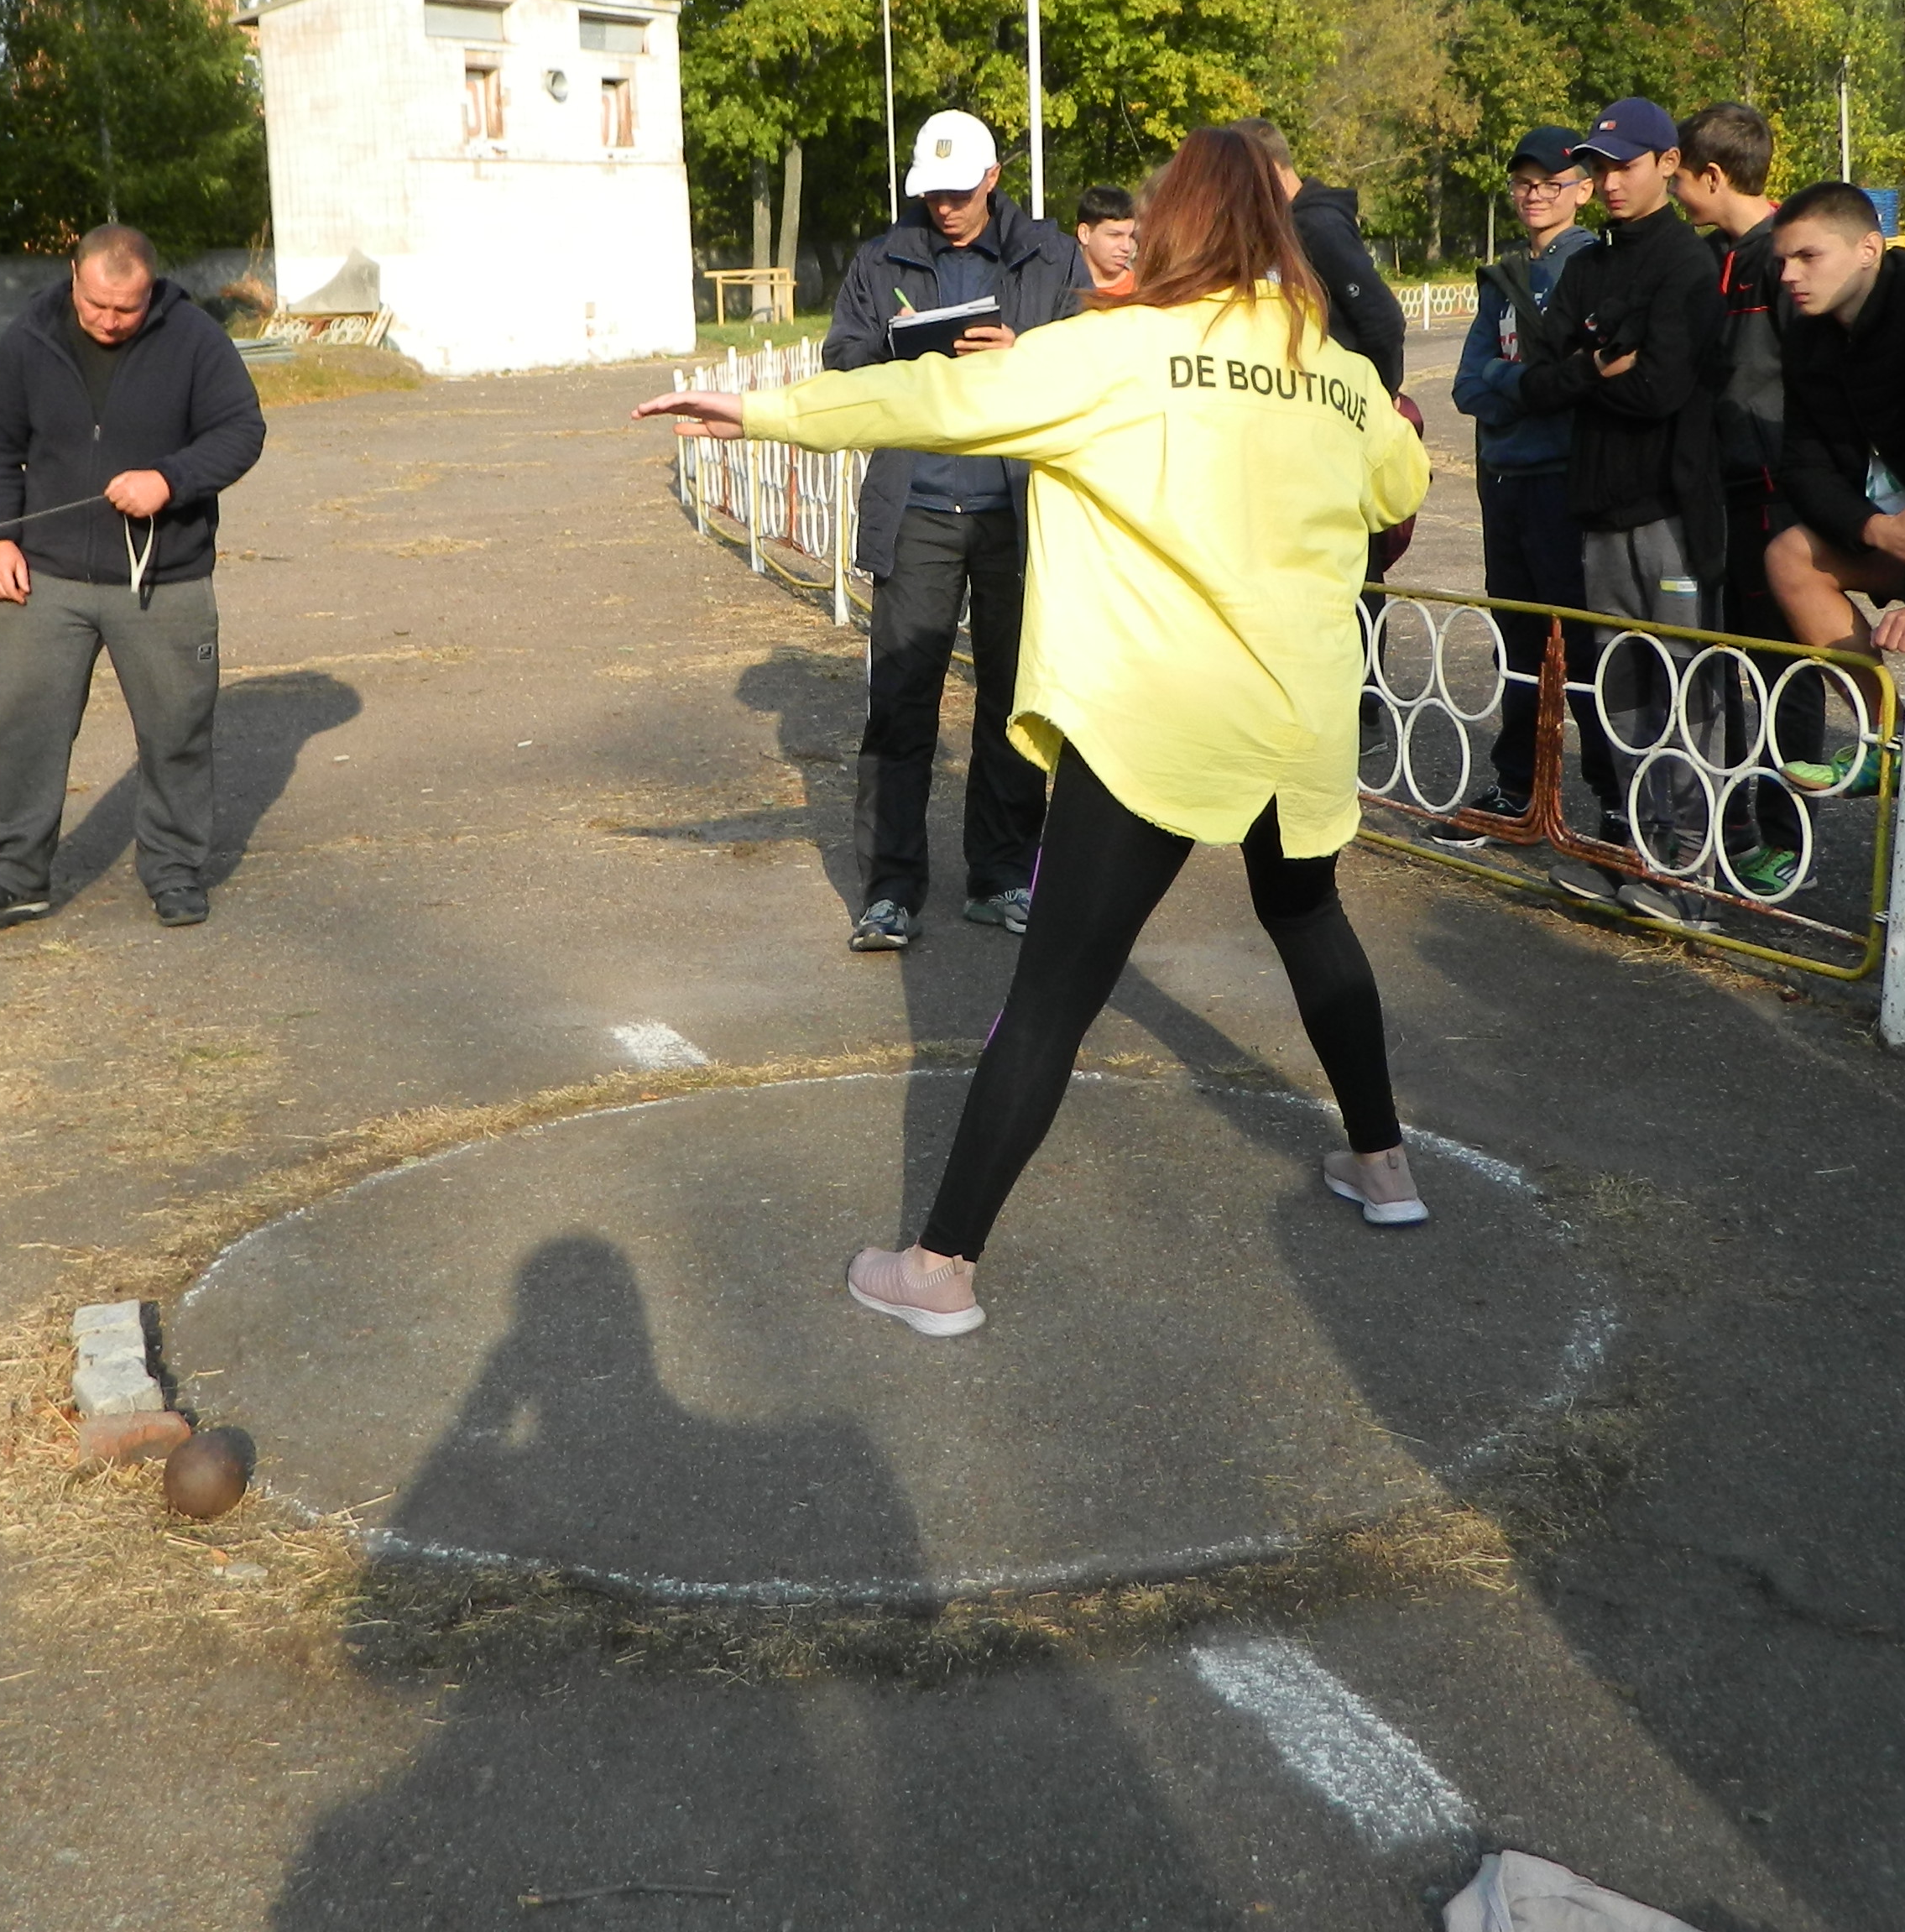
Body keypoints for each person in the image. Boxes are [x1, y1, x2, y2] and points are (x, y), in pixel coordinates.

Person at [636, 128, 1433, 1335]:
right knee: (1309, 917)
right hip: (1301, 720)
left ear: (1175, 224)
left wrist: (761, 409)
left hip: (1158, 723)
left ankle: (941, 1266)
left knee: (1053, 993)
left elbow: (935, 395)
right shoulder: (1332, 367)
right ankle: (1386, 1169)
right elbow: (1401, 487)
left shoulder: (1111, 352)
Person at [820, 109, 1088, 952]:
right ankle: (890, 892)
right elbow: (842, 365)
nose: (945, 207)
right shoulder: (880, 260)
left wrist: (1022, 355)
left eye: (960, 191)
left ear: (994, 179)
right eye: (932, 193)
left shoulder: (1052, 256)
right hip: (919, 513)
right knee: (901, 705)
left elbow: (1097, 360)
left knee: (1014, 703)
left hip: (1018, 512)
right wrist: (911, 358)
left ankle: (1003, 876)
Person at [0, 224, 269, 931]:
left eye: (125, 308)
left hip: (165, 575)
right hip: (46, 576)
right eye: (97, 303)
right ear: (74, 276)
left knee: (175, 730)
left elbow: (240, 430)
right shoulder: (30, 337)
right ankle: (16, 875)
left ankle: (176, 871)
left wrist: (170, 479)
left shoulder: (193, 339)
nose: (108, 320)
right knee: (23, 729)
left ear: (149, 288)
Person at [1516, 97, 1724, 915]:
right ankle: (1640, 853)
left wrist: (1588, 371)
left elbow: (1662, 386)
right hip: (1599, 512)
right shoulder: (1589, 268)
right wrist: (1593, 369)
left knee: (1685, 693)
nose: (1608, 183)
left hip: (1671, 513)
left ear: (1668, 165)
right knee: (1624, 696)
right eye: (1599, 168)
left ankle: (1691, 876)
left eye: (1624, 166)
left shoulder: (1686, 264)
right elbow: (1535, 380)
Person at [1449, 125, 1610, 828]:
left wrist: (1516, 384)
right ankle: (1516, 788)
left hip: (1564, 484)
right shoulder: (1503, 278)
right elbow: (1467, 386)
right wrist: (1527, 384)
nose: (1534, 195)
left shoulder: (1595, 268)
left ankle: (1612, 802)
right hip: (1505, 481)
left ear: (1582, 190)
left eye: (1550, 183)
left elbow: (1581, 385)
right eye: (1523, 183)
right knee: (1514, 645)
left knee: (1580, 652)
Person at [1761, 181, 1905, 662]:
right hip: (1900, 528)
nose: (1789, 275)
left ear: (1868, 249)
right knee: (1788, 556)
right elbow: (1803, 466)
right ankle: (1881, 732)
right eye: (1782, 261)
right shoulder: (1806, 334)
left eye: (1808, 256)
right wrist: (1875, 529)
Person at [1672, 102, 1785, 640]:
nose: (1673, 193)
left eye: (1678, 180)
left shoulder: (1787, 256)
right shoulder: (1705, 256)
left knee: (1781, 652)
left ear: (1713, 178)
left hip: (1770, 487)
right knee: (1732, 645)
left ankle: (1895, 722)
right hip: (1715, 483)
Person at [1240, 122, 1407, 392]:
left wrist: (1382, 394)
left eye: (1243, 177)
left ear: (1269, 168)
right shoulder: (1281, 227)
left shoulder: (1318, 226)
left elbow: (1382, 318)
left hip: (1345, 398)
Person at [1072, 183, 1139, 298]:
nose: (1126, 247)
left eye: (1132, 236)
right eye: (1115, 235)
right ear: (1084, 234)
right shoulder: (1060, 292)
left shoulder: (1143, 292)